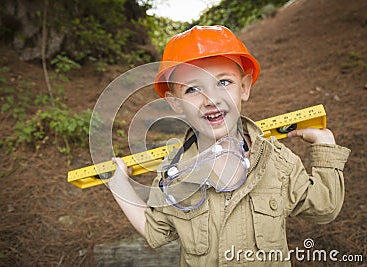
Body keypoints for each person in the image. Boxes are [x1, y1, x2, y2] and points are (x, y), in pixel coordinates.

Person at [107, 25, 351, 266]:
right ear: (176, 104)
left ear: (243, 88)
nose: (211, 99)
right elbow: (155, 232)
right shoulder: (175, 174)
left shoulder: (274, 160)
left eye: (223, 82)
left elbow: (324, 207)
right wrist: (119, 184)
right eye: (193, 89)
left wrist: (325, 147)